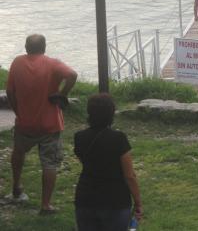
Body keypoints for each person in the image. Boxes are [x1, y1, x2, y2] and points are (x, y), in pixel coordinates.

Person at [5, 34, 77, 214]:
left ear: (26, 47)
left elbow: (9, 91)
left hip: (24, 123)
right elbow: (72, 75)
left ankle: (16, 188)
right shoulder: (52, 64)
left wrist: (17, 111)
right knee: (49, 163)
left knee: (19, 152)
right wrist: (62, 94)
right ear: (44, 47)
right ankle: (45, 204)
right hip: (50, 124)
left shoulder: (17, 63)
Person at [74, 94, 143, 230]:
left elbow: (85, 162)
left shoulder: (79, 137)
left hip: (85, 197)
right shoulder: (118, 139)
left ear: (89, 113)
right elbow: (129, 176)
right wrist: (138, 202)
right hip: (115, 200)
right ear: (111, 114)